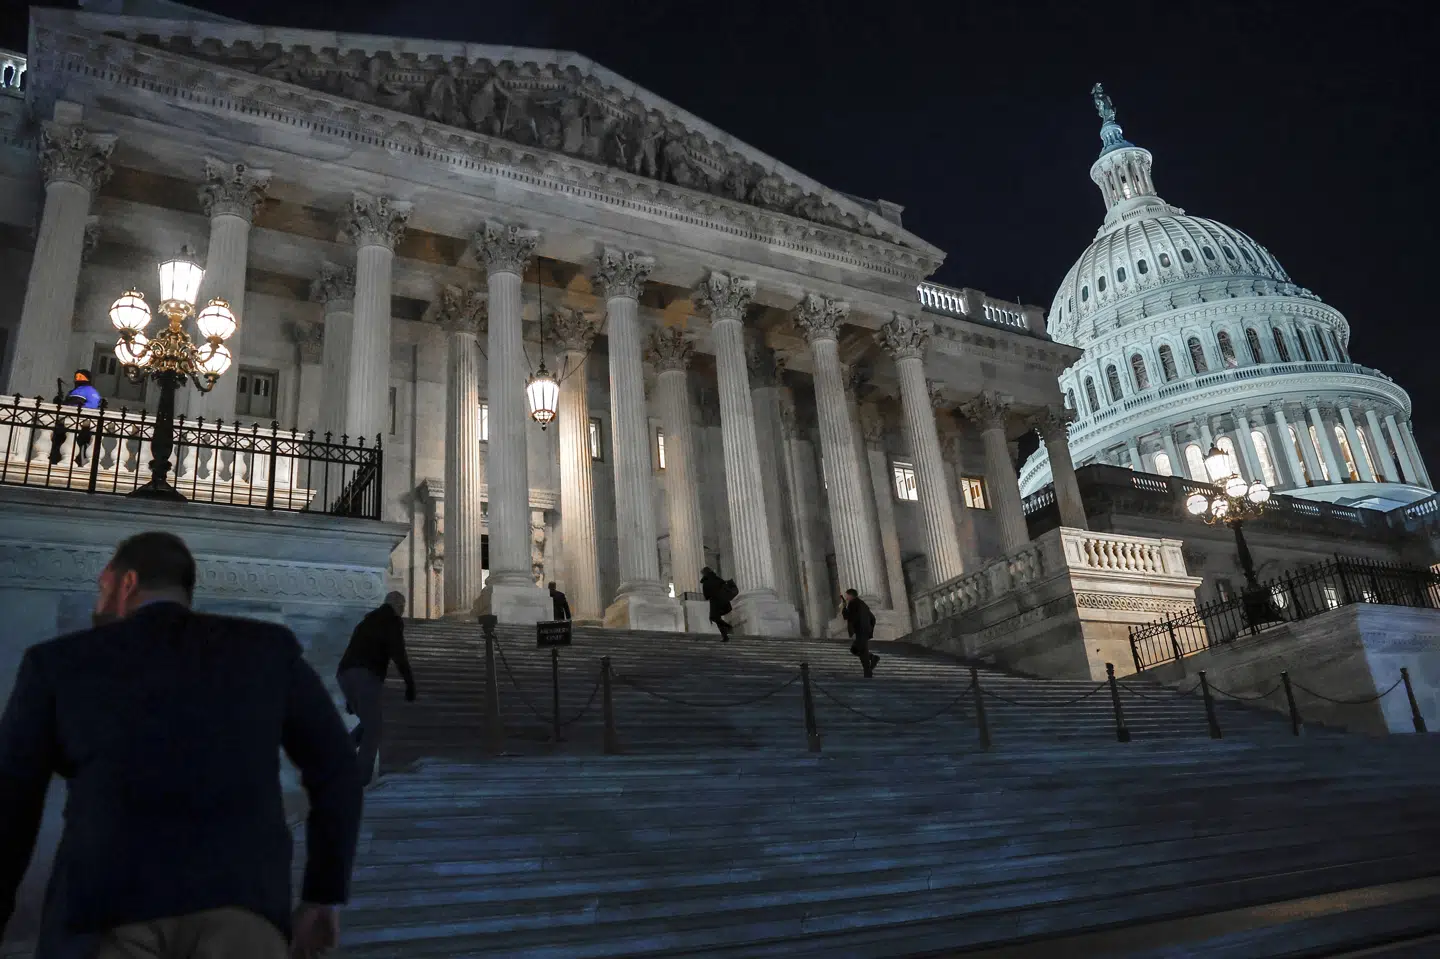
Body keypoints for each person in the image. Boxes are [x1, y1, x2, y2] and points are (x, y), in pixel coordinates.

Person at [0, 531, 362, 959]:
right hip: (241, 906)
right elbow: (338, 767)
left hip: (105, 910)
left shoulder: (56, 662)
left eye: (102, 588)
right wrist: (323, 894)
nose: (98, 603)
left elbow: (11, 803)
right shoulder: (266, 650)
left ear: (126, 583)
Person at [337, 591, 416, 787]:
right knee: (374, 729)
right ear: (399, 605)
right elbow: (399, 653)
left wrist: (351, 697)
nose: (403, 610)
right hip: (366, 675)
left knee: (368, 724)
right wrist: (409, 683)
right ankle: (358, 780)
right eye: (403, 606)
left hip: (345, 674)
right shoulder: (392, 621)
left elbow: (352, 650)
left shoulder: (367, 621)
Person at [842, 588, 879, 677]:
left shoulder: (852, 604)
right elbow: (873, 618)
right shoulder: (863, 604)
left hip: (860, 631)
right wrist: (870, 629)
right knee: (859, 650)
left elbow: (847, 616)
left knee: (859, 651)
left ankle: (869, 670)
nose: (846, 598)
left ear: (851, 596)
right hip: (865, 630)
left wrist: (844, 607)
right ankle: (871, 662)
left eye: (847, 596)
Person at [700, 566, 737, 642]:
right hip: (723, 601)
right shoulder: (717, 578)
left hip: (715, 602)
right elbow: (724, 586)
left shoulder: (706, 582)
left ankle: (728, 627)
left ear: (704, 573)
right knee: (717, 618)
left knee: (714, 617)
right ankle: (725, 637)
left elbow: (706, 596)